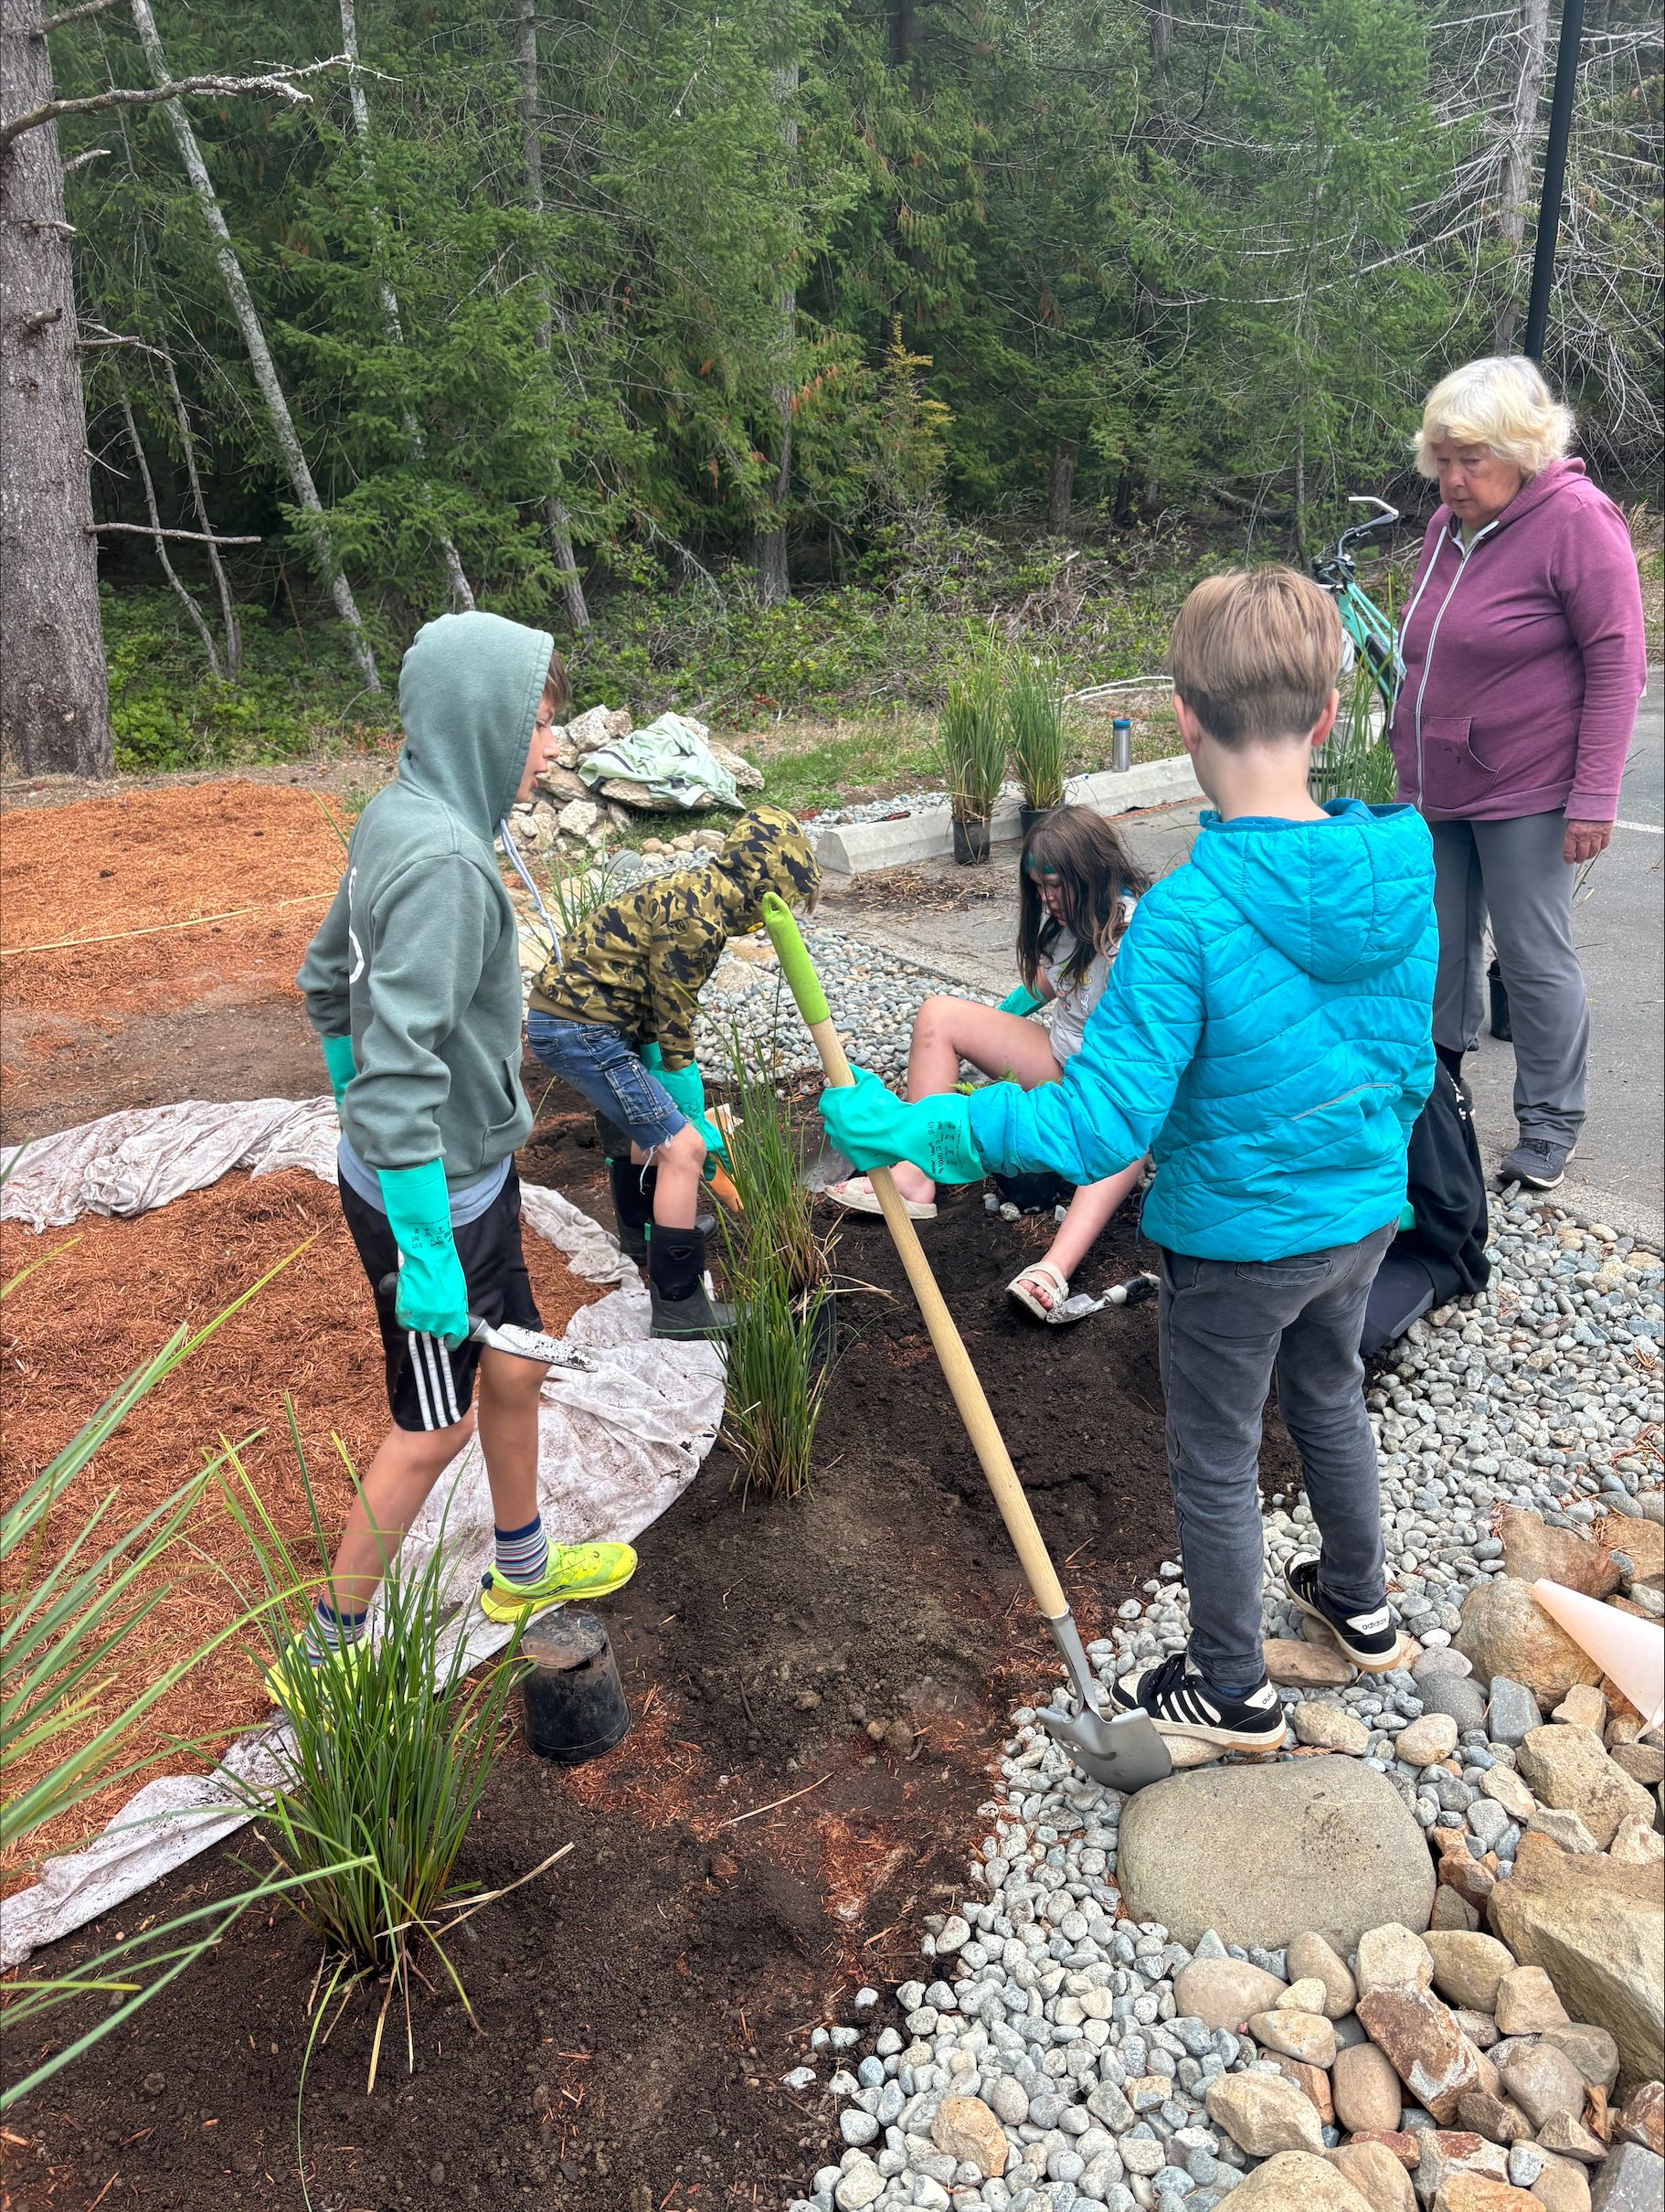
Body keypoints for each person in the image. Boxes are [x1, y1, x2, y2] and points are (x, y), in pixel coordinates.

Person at [820, 569, 1437, 1751]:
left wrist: (923, 1133)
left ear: (1182, 719)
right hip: (1360, 1216)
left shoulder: (1187, 920)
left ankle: (1229, 1687)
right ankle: (1359, 1606)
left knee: (1211, 1456)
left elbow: (1098, 1127)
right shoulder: (1403, 873)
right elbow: (1411, 1064)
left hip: (1236, 1242)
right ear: (1321, 718)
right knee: (1327, 1394)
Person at [281, 611, 638, 1703]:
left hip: (457, 1182)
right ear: (482, 722)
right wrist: (421, 1237)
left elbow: (322, 981)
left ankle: (520, 1569)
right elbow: (394, 1066)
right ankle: (326, 1652)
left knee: (517, 1361)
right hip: (427, 1195)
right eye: (537, 726)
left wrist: (370, 1126)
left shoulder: (399, 813)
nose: (550, 748)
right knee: (430, 1423)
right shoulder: (440, 861)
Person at [1390, 355, 1647, 1192]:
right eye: (1442, 458)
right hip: (1436, 788)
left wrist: (1594, 796)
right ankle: (1440, 1100)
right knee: (1436, 949)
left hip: (1530, 787)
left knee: (1534, 958)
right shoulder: (1443, 528)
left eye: (1471, 459)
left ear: (1522, 448)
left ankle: (1549, 1124)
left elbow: (1618, 662)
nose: (1452, 478)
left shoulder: (1575, 518)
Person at [827, 806, 1150, 1319]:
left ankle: (1055, 1268)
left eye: (1054, 885)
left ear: (1093, 871)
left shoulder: (1136, 939)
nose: (1045, 899)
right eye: (1037, 886)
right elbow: (1040, 990)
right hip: (1061, 1062)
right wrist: (988, 1027)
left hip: (1116, 1091)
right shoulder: (1069, 928)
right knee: (939, 1015)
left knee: (1123, 1137)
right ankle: (917, 1173)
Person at [525, 803, 820, 1340]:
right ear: (763, 886)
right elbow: (675, 1028)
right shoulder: (699, 923)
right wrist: (695, 1125)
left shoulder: (698, 890)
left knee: (644, 1129)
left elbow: (658, 1023)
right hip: (581, 1028)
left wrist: (670, 1095)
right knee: (682, 1148)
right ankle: (680, 1306)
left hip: (583, 1020)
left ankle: (643, 1238)